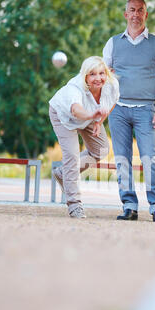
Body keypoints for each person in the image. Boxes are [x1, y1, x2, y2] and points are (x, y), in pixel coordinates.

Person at [103, 0, 155, 223]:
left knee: (149, 158)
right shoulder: (113, 43)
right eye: (131, 10)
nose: (135, 14)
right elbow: (103, 78)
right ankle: (129, 205)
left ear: (146, 15)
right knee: (122, 158)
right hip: (118, 109)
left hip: (146, 109)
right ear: (125, 14)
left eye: (140, 10)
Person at [49, 56, 119, 218]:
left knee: (101, 150)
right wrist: (91, 115)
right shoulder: (75, 88)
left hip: (91, 115)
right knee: (72, 157)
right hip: (64, 116)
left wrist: (99, 121)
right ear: (85, 76)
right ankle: (74, 205)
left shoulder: (112, 84)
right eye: (92, 74)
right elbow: (76, 110)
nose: (98, 78)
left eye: (102, 73)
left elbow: (112, 101)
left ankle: (62, 173)